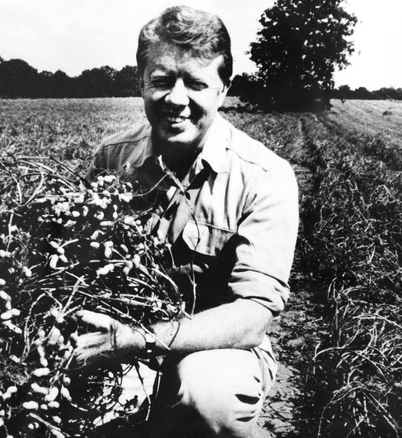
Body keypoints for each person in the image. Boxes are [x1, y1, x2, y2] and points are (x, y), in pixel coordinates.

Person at [74, 5, 299, 437]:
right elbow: (80, 271)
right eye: (160, 81)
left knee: (206, 392)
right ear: (140, 82)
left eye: (196, 83)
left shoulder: (264, 175)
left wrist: (139, 339)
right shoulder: (112, 158)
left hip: (221, 348)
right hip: (122, 339)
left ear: (223, 88)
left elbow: (252, 316)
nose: (176, 100)